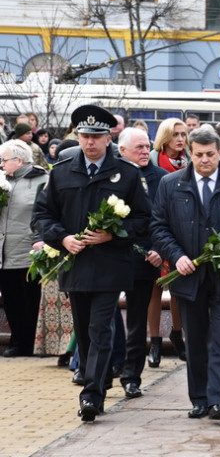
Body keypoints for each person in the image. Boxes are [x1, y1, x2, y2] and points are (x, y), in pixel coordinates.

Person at [34, 105, 151, 422]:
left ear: (108, 137)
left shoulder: (126, 174)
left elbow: (143, 220)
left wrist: (113, 235)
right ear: (77, 136)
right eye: (84, 136)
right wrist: (62, 239)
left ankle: (91, 396)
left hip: (111, 266)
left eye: (97, 136)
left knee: (101, 328)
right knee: (85, 334)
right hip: (75, 265)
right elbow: (43, 216)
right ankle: (96, 378)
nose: (90, 143)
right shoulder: (61, 171)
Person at [151, 126, 220, 420]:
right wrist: (177, 257)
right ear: (190, 153)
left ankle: (218, 400)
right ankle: (199, 398)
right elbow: (159, 226)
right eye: (198, 154)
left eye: (210, 154)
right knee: (196, 339)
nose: (204, 160)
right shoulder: (171, 184)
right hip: (189, 277)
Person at [116, 128, 167, 399]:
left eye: (147, 146)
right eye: (139, 148)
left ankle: (131, 376)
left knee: (137, 321)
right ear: (122, 151)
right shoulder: (112, 176)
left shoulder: (162, 179)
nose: (146, 151)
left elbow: (166, 219)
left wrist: (159, 249)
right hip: (111, 258)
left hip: (145, 259)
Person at [0, 140, 49, 357]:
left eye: (4, 160)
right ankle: (17, 341)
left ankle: (30, 343)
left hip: (30, 252)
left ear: (18, 161)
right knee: (11, 300)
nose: (1, 165)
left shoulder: (42, 180)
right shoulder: (3, 181)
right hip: (5, 252)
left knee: (30, 300)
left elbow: (46, 213)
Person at [149, 118, 191, 364]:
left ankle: (177, 335)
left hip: (182, 236)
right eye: (175, 134)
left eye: (184, 134)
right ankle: (154, 341)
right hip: (157, 234)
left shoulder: (191, 161)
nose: (180, 139)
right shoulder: (154, 161)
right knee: (154, 289)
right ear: (165, 136)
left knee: (177, 289)